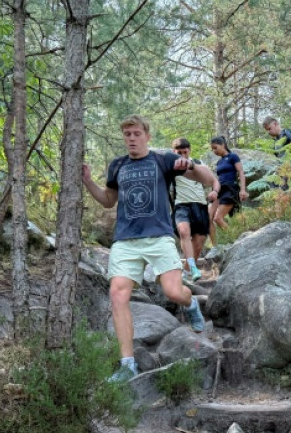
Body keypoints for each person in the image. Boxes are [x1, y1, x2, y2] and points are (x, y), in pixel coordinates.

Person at [82, 115, 216, 383]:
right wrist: (87, 181)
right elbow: (109, 200)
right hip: (125, 239)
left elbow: (207, 177)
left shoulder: (163, 159)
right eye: (127, 134)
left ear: (147, 135)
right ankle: (128, 365)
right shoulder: (117, 165)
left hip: (159, 237)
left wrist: (189, 163)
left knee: (173, 291)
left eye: (135, 133)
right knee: (118, 294)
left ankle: (190, 304)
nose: (131, 138)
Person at [170, 137, 219, 282]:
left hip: (200, 205)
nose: (183, 156)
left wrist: (215, 192)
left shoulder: (198, 163)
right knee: (184, 232)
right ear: (174, 152)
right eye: (179, 153)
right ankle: (192, 267)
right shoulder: (170, 166)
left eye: (185, 152)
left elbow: (214, 180)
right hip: (181, 205)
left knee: (198, 242)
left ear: (189, 151)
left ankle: (186, 274)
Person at [209, 136, 248, 230]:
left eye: (215, 148)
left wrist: (243, 190)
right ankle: (214, 243)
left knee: (218, 218)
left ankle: (233, 237)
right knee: (209, 218)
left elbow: (241, 172)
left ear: (223, 145)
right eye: (212, 149)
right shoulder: (219, 162)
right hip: (219, 190)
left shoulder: (233, 157)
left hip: (230, 189)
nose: (214, 151)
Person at [262, 116, 291, 189]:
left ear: (275, 123)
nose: (268, 132)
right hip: (281, 172)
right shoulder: (276, 141)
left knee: (287, 194)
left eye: (269, 129)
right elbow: (279, 158)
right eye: (267, 130)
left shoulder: (287, 133)